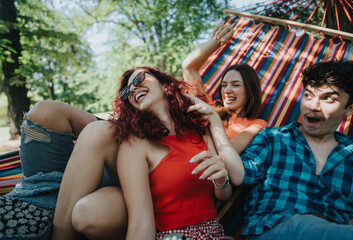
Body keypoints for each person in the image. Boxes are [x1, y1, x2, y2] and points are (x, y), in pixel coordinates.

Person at [51, 66, 234, 240]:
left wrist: (221, 181)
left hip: (214, 232)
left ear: (164, 85)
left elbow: (223, 195)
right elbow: (141, 222)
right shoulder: (135, 144)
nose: (132, 90)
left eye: (139, 79)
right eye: (126, 92)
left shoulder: (199, 129)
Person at [192, 60, 353, 240]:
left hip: (338, 231)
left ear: (350, 108)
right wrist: (214, 121)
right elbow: (240, 173)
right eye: (308, 95)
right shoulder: (273, 137)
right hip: (272, 231)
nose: (312, 106)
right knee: (302, 225)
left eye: (328, 98)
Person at [0, 101, 100, 239]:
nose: (132, 88)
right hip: (29, 191)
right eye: (126, 90)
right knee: (45, 110)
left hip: (35, 210)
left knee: (100, 131)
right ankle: (121, 125)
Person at [182, 23, 267, 153]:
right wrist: (217, 41)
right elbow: (188, 67)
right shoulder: (208, 107)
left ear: (250, 91)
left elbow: (228, 151)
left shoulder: (256, 124)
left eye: (236, 85)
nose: (227, 90)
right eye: (224, 85)